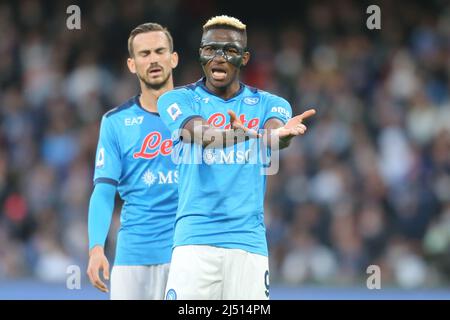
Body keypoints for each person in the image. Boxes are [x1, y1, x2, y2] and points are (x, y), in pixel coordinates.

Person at [157, 15, 315, 300]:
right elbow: (201, 134)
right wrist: (246, 135)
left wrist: (281, 137)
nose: (219, 57)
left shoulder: (271, 103)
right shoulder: (176, 99)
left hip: (247, 243)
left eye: (229, 50)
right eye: (211, 49)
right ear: (200, 53)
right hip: (194, 240)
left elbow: (275, 134)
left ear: (244, 58)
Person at [86, 22, 179, 300]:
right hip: (132, 258)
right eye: (144, 53)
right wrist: (96, 248)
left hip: (188, 254)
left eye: (160, 51)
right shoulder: (115, 123)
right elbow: (103, 191)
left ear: (173, 58)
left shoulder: (199, 115)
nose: (153, 59)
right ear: (131, 64)